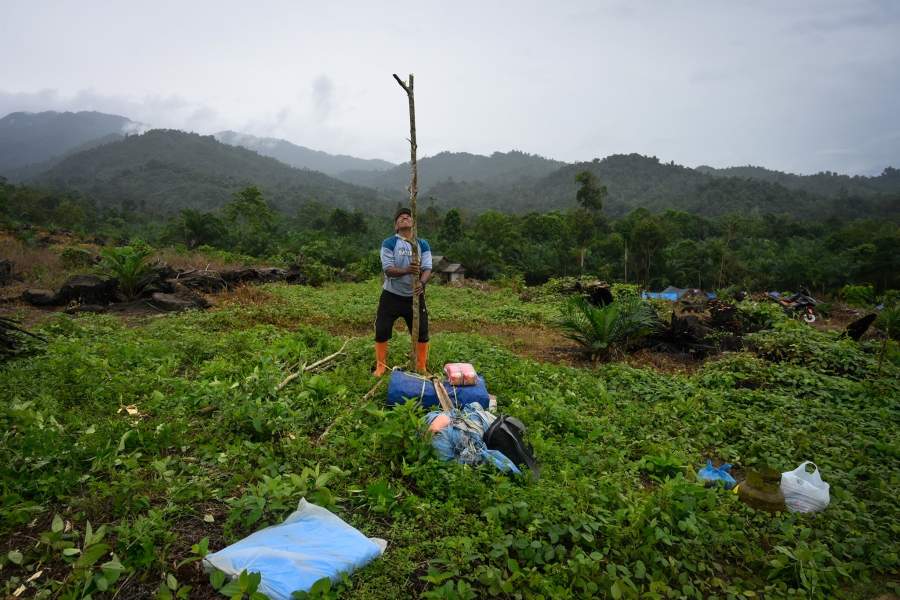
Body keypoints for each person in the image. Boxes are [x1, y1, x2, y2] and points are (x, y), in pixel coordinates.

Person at [373, 207, 432, 376]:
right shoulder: (389, 243)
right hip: (391, 295)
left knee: (421, 331)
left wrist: (421, 282)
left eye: (408, 216)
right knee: (382, 329)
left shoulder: (422, 243)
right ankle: (381, 366)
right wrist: (407, 270)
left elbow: (427, 268)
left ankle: (421, 366)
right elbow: (388, 270)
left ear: (413, 223)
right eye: (400, 218)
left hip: (414, 296)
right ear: (396, 226)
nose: (405, 218)